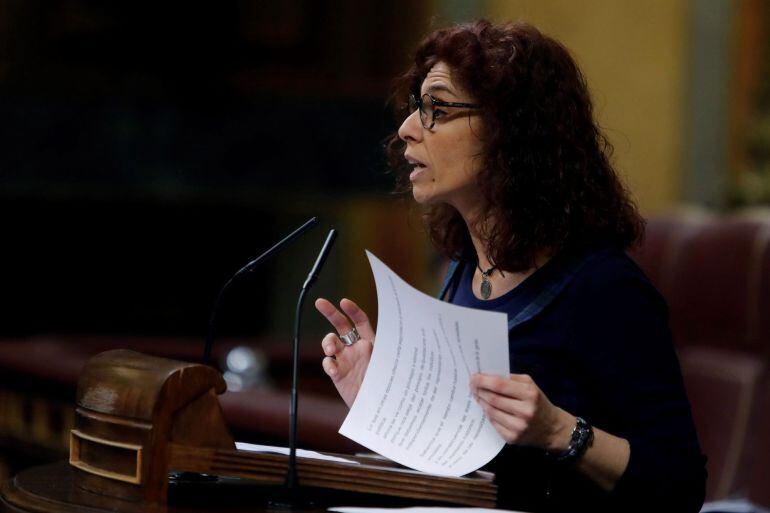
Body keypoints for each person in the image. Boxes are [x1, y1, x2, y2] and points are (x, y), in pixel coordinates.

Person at [315, 20, 706, 513]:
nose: (408, 128)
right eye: (416, 106)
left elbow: (681, 487)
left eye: (437, 107)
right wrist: (380, 403)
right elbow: (462, 461)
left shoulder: (604, 288)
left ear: (510, 129)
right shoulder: (460, 270)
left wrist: (561, 431)